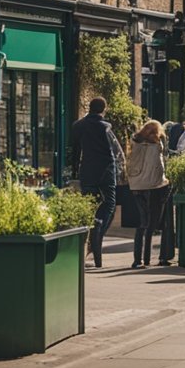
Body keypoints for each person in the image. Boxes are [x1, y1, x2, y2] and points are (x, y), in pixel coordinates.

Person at [72, 97, 124, 268]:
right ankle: (98, 232)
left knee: (88, 204)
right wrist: (121, 169)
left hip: (87, 169)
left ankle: (91, 235)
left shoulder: (78, 126)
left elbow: (75, 150)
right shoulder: (106, 127)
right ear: (103, 109)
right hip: (105, 170)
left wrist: (74, 171)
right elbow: (116, 151)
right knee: (109, 203)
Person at [126, 120, 169, 269]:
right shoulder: (157, 144)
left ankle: (138, 260)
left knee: (142, 224)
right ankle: (148, 259)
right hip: (153, 186)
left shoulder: (135, 140)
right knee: (154, 223)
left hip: (136, 185)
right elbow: (160, 164)